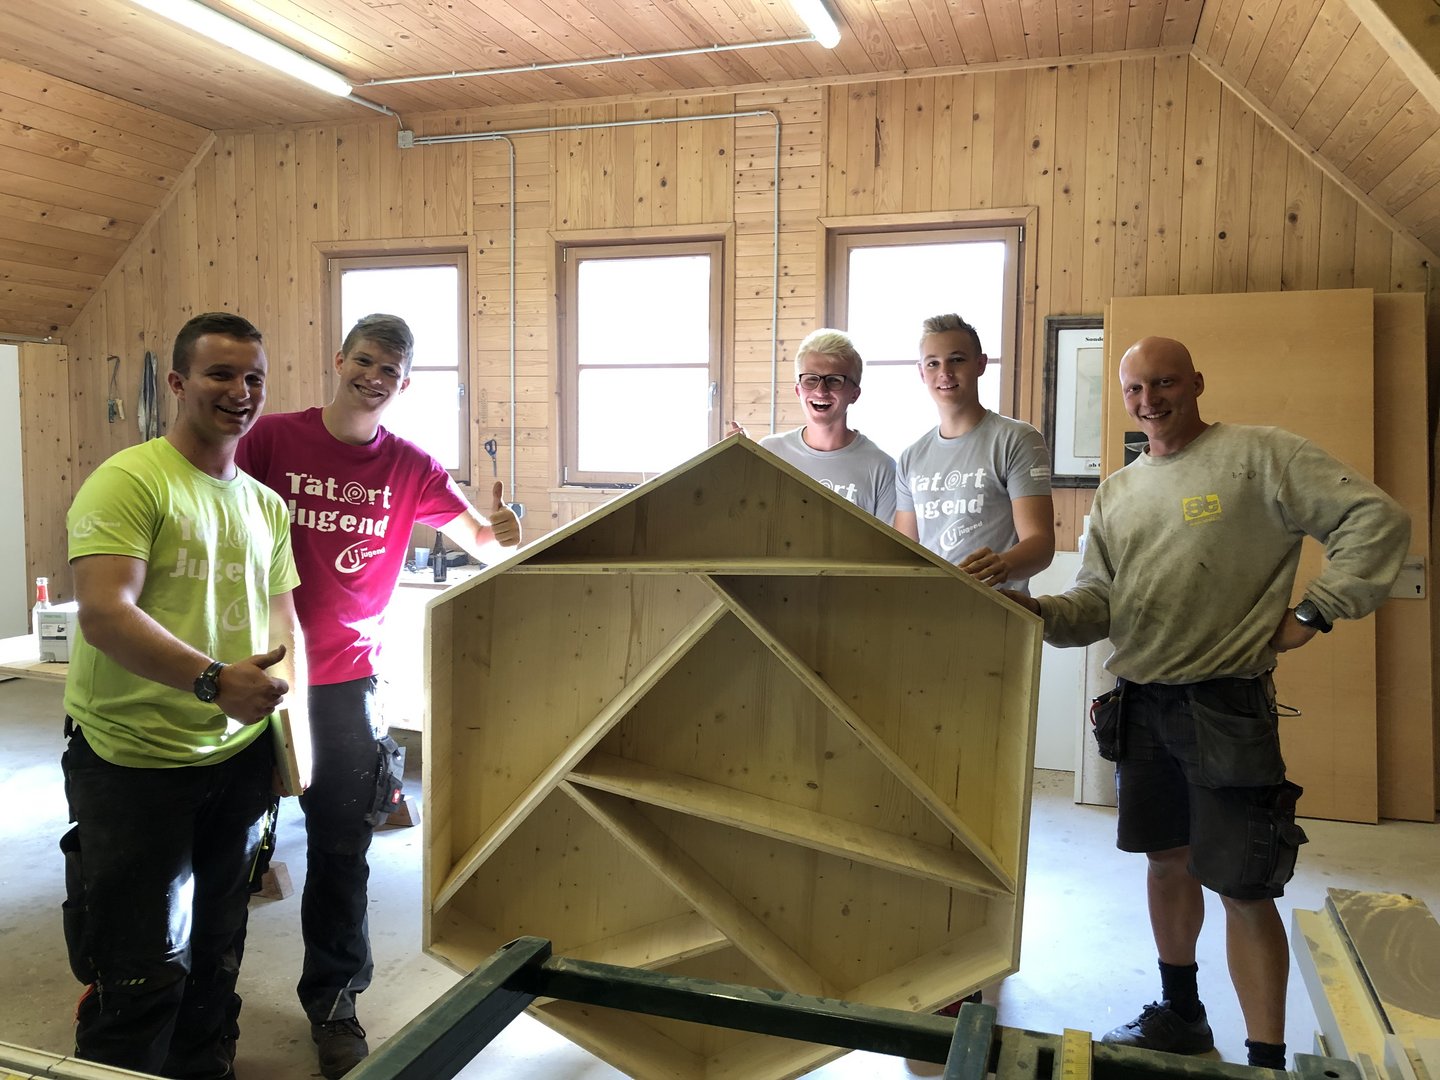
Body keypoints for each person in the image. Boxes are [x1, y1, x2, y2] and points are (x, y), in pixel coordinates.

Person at [1003, 336, 1410, 1069]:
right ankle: (1182, 1016)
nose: (1149, 400)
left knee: (1244, 887)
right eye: (1134, 389)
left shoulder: (1261, 456)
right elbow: (1096, 602)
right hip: (1140, 705)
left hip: (1226, 708)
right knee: (1166, 863)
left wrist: (1315, 610)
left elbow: (1375, 519)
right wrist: (1036, 614)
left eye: (1163, 383)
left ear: (1195, 382)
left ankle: (1264, 1061)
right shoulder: (1118, 491)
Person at [236, 312, 521, 1079]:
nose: (374, 377)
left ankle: (334, 1004)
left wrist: (504, 528)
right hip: (254, 672)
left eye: (389, 370)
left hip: (345, 683)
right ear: (340, 360)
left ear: (405, 381)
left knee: (341, 851)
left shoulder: (410, 467)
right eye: (364, 361)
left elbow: (485, 543)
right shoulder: (272, 441)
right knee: (223, 843)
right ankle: (201, 1007)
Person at [61, 311, 303, 1080]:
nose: (241, 391)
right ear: (177, 382)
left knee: (218, 953)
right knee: (140, 970)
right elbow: (105, 613)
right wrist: (214, 681)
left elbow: (283, 626)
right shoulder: (131, 480)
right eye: (220, 374)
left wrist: (286, 747)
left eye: (254, 377)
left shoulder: (264, 505)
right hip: (133, 765)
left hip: (236, 761)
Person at [894, 313, 1055, 593]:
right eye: (933, 363)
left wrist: (1002, 565)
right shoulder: (911, 457)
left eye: (957, 360)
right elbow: (902, 552)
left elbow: (1040, 543)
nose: (945, 372)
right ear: (921, 372)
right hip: (929, 608)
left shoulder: (1016, 440)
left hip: (998, 610)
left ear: (980, 364)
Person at [755, 328, 895, 521]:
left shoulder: (881, 467)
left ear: (854, 394)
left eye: (834, 380)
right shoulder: (768, 452)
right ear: (798, 390)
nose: (821, 391)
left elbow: (888, 540)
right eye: (811, 379)